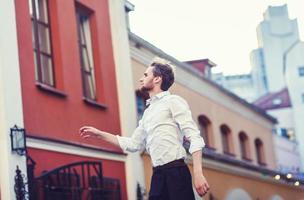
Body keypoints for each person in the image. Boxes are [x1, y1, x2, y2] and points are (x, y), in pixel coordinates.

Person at [79, 57, 209, 200]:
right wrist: (99, 134)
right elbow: (133, 144)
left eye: (146, 75)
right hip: (157, 176)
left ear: (157, 79)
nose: (141, 79)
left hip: (176, 172)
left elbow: (194, 137)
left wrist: (198, 173)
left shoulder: (173, 102)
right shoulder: (148, 113)